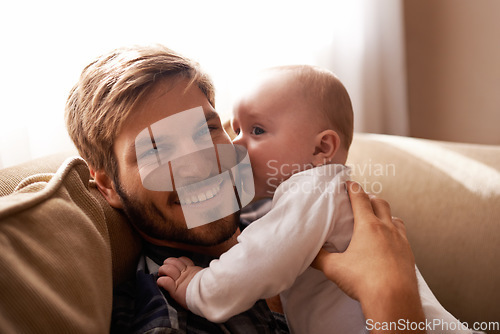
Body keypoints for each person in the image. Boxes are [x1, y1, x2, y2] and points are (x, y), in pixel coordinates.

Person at [65, 44, 426, 333]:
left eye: (206, 130)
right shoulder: (168, 314)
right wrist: (393, 299)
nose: (199, 162)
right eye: (158, 150)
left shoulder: (276, 208)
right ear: (109, 186)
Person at [156, 66, 472, 334]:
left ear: (321, 149)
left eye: (257, 130)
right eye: (236, 129)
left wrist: (196, 286)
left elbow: (259, 261)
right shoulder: (310, 197)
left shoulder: (311, 190)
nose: (237, 144)